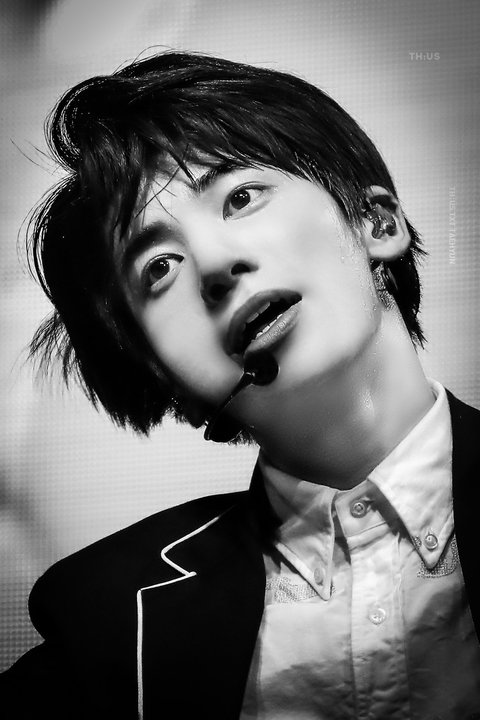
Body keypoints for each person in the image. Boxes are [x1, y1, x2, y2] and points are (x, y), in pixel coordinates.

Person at [1, 50, 479, 720]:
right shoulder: (98, 623)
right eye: (159, 267)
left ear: (377, 222)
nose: (215, 263)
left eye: (241, 197)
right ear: (162, 375)